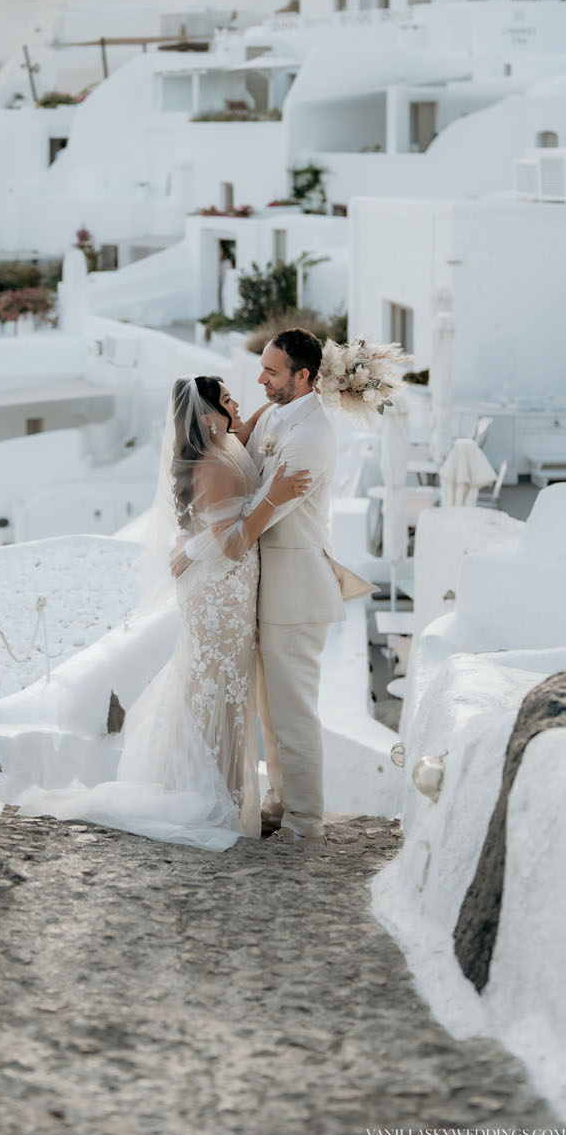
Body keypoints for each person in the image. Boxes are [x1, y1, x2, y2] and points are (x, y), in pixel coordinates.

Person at [17, 374, 310, 849]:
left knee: (227, 693)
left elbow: (239, 454)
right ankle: (206, 795)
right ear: (209, 415)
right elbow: (232, 543)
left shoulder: (228, 446)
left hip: (228, 593)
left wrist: (269, 414)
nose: (240, 405)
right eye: (229, 400)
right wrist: (276, 495)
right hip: (219, 597)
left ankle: (226, 797)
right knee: (215, 689)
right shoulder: (214, 464)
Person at [249, 329, 374, 848]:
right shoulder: (279, 415)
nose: (261, 379)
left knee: (294, 712)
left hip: (296, 591)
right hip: (270, 588)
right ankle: (280, 803)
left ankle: (306, 823)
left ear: (304, 377)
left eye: (272, 372)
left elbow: (264, 509)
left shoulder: (313, 435)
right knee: (270, 710)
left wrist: (215, 540)